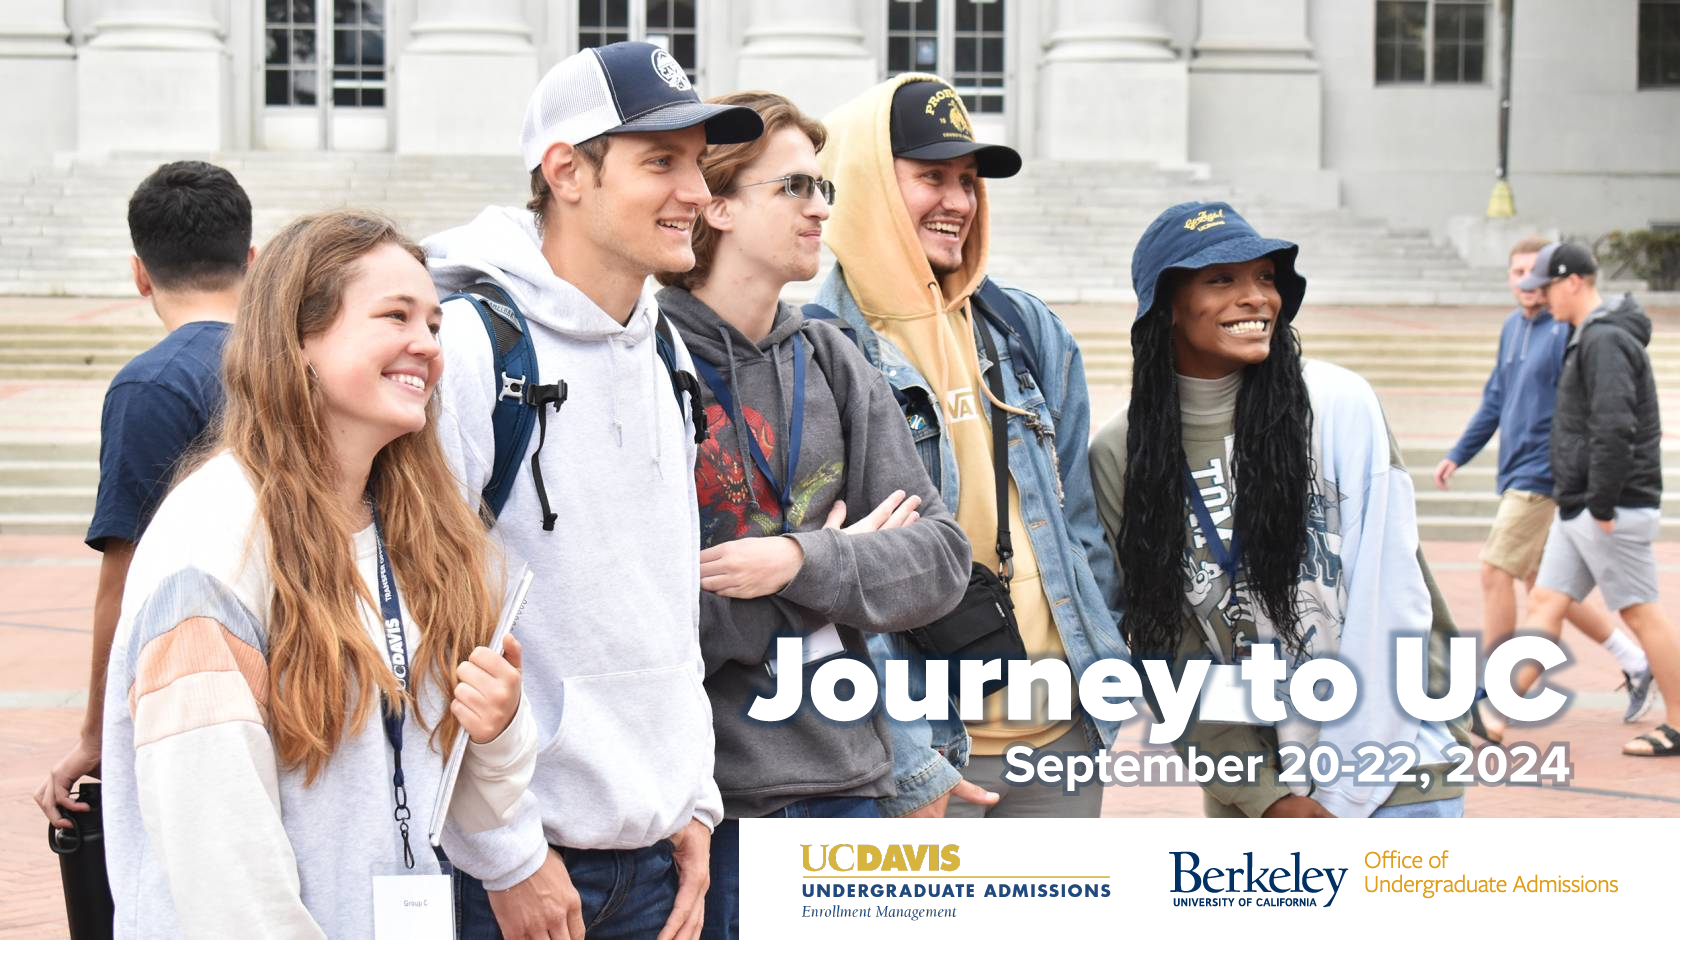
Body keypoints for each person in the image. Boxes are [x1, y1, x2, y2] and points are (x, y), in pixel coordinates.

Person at [100, 210, 537, 937]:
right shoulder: (210, 547)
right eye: (394, 316)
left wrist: (496, 733)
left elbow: (462, 812)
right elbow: (226, 875)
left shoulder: (421, 529)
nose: (427, 346)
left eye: (433, 323)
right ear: (298, 339)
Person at [423, 42, 763, 939]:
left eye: (698, 162)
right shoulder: (466, 350)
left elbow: (660, 599)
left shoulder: (665, 350)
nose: (697, 192)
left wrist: (692, 796)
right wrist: (507, 855)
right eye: (661, 162)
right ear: (565, 170)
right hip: (516, 873)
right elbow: (428, 621)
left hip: (660, 852)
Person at [652, 91, 971, 937]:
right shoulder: (645, 359)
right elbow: (641, 618)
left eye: (823, 185)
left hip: (848, 792)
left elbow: (939, 559)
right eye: (793, 186)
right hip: (707, 814)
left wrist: (799, 563)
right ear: (716, 204)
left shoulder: (828, 355)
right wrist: (833, 564)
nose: (821, 206)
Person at [1090, 201, 1466, 818]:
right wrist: (1267, 796)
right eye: (1221, 280)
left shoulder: (1337, 404)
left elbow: (1393, 590)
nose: (1255, 298)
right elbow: (1164, 646)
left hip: (1392, 772)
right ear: (1167, 306)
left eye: (1265, 278)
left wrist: (1352, 781)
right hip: (1255, 793)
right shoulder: (1121, 452)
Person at [813, 76, 1126, 819]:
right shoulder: (816, 350)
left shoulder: (1023, 327)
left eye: (967, 180)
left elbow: (1079, 526)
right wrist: (909, 754)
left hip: (1058, 740)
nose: (958, 200)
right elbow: (833, 590)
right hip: (919, 755)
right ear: (863, 181)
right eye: (931, 177)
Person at [37, 161, 253, 829]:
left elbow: (121, 576)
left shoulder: (151, 385)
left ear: (139, 273)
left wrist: (97, 731)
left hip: (195, 685)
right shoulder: (300, 364)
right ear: (252, 258)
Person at [1435, 236, 1651, 739]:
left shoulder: (1563, 332)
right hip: (1516, 470)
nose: (1528, 284)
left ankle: (1493, 687)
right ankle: (1636, 661)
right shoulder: (1513, 329)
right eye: (1518, 274)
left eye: (1536, 273)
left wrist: (1579, 473)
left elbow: (1586, 408)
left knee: (1493, 570)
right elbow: (1495, 401)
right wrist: (1457, 454)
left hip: (1544, 474)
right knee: (1547, 590)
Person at [1514, 241, 1678, 758]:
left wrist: (1602, 505)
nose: (1541, 299)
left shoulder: (1605, 339)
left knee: (1640, 613)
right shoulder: (1588, 336)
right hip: (1580, 500)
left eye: (1546, 288)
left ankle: (1678, 724)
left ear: (1574, 282)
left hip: (1610, 505)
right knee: (1545, 599)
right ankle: (1495, 710)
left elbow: (1614, 426)